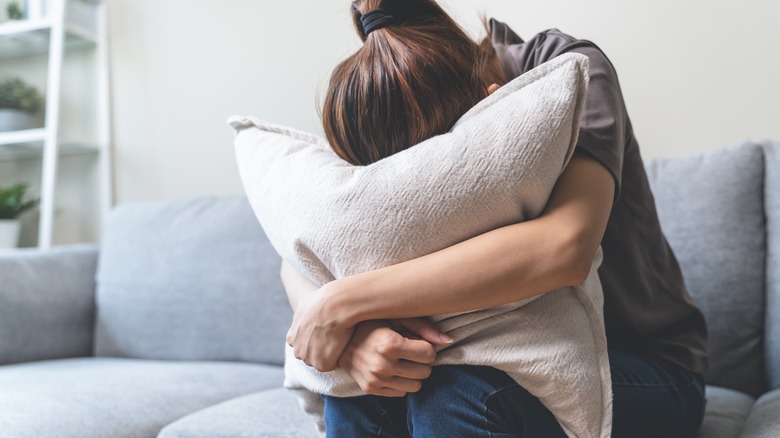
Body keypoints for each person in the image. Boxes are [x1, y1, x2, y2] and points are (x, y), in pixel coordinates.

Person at [281, 0, 708, 436]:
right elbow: (305, 248)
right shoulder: (378, 98)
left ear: (489, 110)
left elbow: (566, 246)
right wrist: (355, 340)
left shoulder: (567, 69)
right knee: (362, 394)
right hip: (472, 351)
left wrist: (344, 303)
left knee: (460, 391)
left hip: (645, 364)